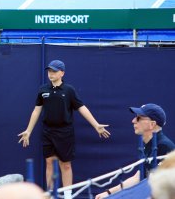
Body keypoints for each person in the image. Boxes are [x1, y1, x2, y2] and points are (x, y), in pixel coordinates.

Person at [18, 60, 110, 190]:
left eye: (54, 71)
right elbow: (37, 110)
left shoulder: (69, 90)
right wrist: (28, 130)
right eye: (49, 71)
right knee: (49, 162)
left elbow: (81, 107)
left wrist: (96, 125)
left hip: (65, 132)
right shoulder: (43, 89)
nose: (51, 74)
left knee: (65, 165)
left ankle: (67, 196)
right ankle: (50, 194)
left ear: (62, 73)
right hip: (47, 132)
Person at [95, 103, 175, 199]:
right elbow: (139, 176)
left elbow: (149, 182)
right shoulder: (152, 144)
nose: (133, 121)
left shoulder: (163, 146)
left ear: (152, 124)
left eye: (138, 118)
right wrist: (109, 193)